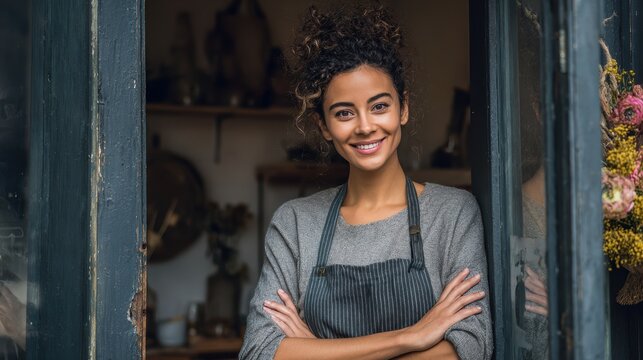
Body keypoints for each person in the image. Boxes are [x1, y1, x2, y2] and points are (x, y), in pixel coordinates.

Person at [240, 6, 492, 360]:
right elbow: (258, 351)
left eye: (379, 106)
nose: (364, 126)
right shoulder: (295, 223)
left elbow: (471, 347)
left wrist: (315, 350)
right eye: (344, 112)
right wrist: (412, 337)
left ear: (402, 108)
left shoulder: (452, 214)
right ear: (324, 126)